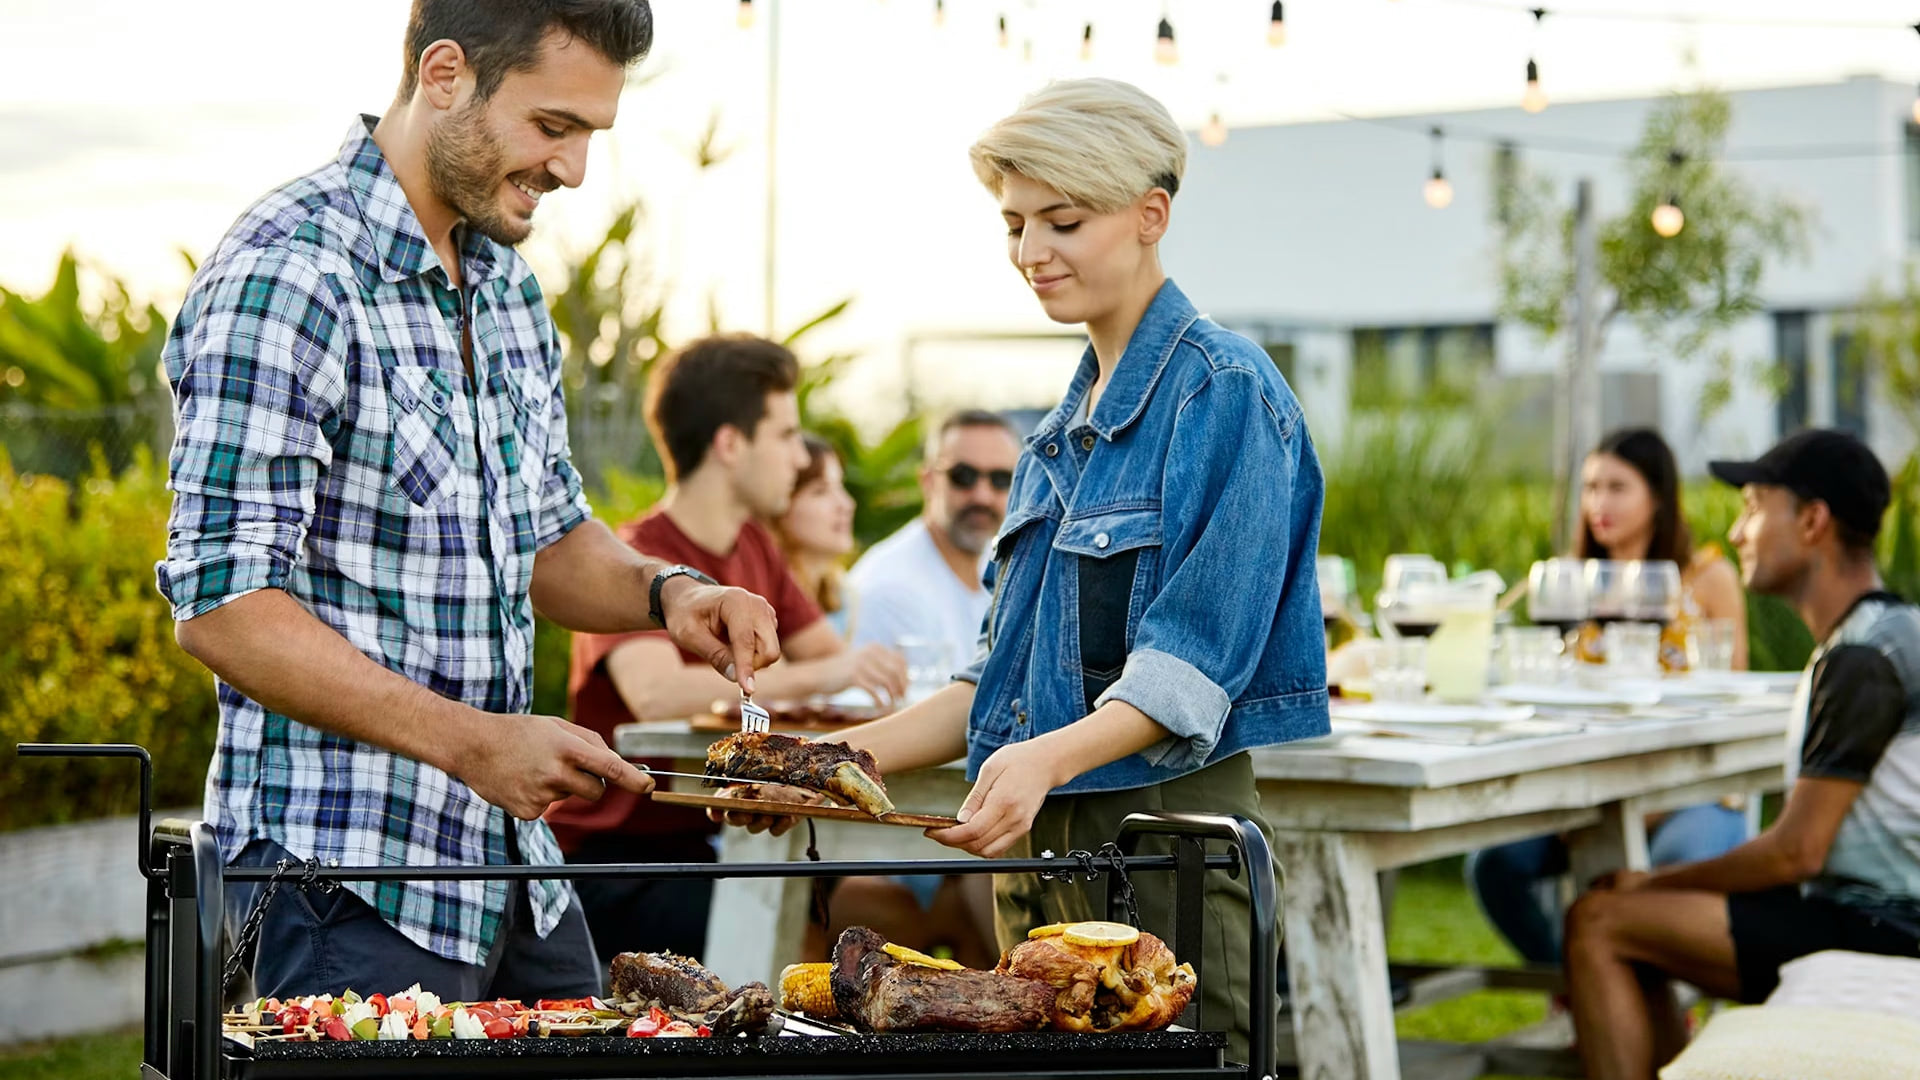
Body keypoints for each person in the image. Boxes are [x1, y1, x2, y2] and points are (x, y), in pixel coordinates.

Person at [157, 0, 780, 1002]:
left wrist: (672, 594)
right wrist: (476, 744)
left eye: (589, 135)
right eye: (553, 127)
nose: (573, 169)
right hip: (344, 881)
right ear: (444, 74)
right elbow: (223, 607)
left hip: (513, 875)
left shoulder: (506, 291)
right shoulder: (290, 272)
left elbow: (543, 538)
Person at [745, 79, 1331, 1064]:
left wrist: (1046, 760)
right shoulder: (1054, 437)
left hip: (1160, 862)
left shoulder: (1226, 393)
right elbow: (1000, 685)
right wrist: (838, 762)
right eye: (1015, 223)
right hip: (1037, 872)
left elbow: (1192, 666)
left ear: (1152, 214)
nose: (1029, 253)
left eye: (1062, 221)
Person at [1564, 429, 1916, 1080]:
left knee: (1599, 919)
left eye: (1754, 506)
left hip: (1884, 930)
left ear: (1812, 522)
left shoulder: (1864, 656)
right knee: (1623, 921)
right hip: (1864, 914)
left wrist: (1654, 881)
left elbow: (1795, 851)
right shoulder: (1881, 634)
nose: (1736, 532)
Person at [545, 334, 907, 964]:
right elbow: (655, 696)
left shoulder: (754, 547)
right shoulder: (630, 560)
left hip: (717, 841)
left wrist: (843, 667)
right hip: (619, 863)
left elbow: (834, 664)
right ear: (731, 444)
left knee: (865, 906)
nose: (800, 460)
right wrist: (830, 671)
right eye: (787, 436)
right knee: (803, 913)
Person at [1467, 427, 1751, 968]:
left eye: (1618, 487)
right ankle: (1580, 980)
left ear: (1659, 497)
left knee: (1665, 870)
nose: (1599, 502)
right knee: (1494, 865)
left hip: (1687, 787)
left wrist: (1638, 807)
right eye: (1592, 487)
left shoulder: (1709, 576)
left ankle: (1647, 1004)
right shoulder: (1571, 583)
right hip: (1587, 792)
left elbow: (1727, 696)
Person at [847, 410, 1023, 675]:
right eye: (963, 476)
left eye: (1001, 479)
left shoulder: (1008, 568)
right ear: (928, 481)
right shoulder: (888, 588)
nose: (982, 496)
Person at [771, 434, 858, 637]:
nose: (846, 504)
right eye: (820, 491)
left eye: (840, 486)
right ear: (781, 505)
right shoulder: (762, 596)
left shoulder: (844, 596)